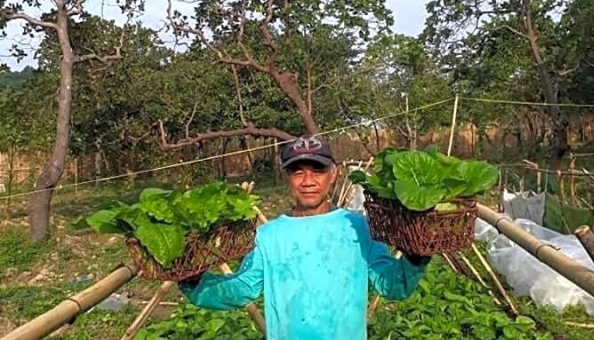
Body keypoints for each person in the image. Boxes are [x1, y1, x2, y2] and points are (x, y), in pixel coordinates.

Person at [178, 135, 430, 339]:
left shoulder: (359, 227)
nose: (308, 181)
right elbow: (242, 288)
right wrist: (194, 282)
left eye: (317, 170)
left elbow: (392, 286)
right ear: (287, 176)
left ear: (333, 174)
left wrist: (414, 259)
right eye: (298, 171)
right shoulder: (268, 236)